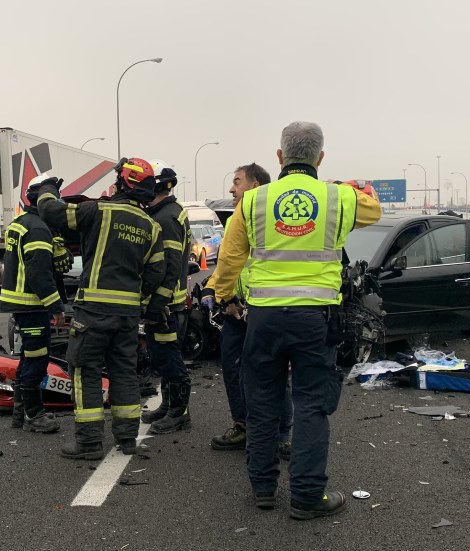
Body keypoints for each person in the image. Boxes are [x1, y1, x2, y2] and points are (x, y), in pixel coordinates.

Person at [207, 122, 381, 519]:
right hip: (316, 320)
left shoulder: (254, 201)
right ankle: (306, 497)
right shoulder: (337, 198)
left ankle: (264, 489)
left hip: (264, 320)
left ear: (280, 157)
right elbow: (373, 208)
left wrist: (223, 297)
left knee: (263, 403)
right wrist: (344, 185)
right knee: (310, 406)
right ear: (320, 157)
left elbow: (231, 257)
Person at [35, 158, 165, 459]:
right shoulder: (151, 226)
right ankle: (127, 439)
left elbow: (50, 212)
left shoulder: (98, 211)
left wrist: (46, 188)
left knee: (85, 370)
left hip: (93, 311)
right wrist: (135, 293)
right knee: (124, 372)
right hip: (128, 316)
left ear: (123, 183)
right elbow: (157, 273)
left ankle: (89, 443)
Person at [205, 164, 293, 458]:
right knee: (233, 369)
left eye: (237, 182)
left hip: (262, 309)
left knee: (272, 372)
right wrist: (219, 294)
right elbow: (228, 265)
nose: (231, 188)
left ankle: (281, 435)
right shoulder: (234, 220)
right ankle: (242, 426)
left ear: (256, 186)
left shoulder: (271, 221)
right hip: (235, 310)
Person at [0, 176, 70, 434]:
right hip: (31, 305)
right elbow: (39, 274)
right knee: (37, 360)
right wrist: (57, 306)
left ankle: (21, 410)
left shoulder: (21, 223)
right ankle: (34, 414)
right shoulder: (39, 228)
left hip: (19, 304)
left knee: (28, 357)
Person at [139, 160, 193, 434]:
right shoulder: (169, 211)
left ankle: (179, 413)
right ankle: (169, 405)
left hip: (165, 305)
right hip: (168, 302)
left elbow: (170, 267)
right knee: (162, 357)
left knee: (169, 359)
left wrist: (156, 305)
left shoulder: (165, 218)